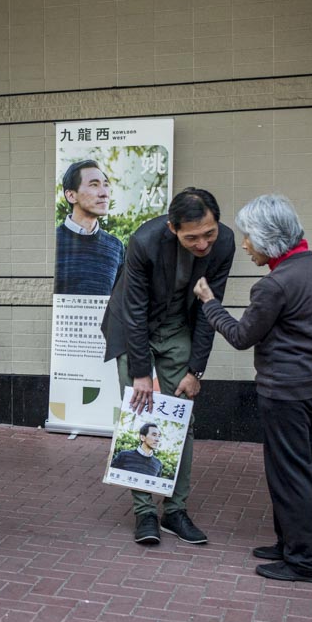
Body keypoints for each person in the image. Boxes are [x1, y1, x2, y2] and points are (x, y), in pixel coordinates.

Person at [195, 194, 312, 582]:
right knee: (299, 471)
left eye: (249, 237)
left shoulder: (274, 285)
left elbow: (242, 336)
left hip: (286, 392)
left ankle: (306, 562)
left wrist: (209, 303)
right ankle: (288, 543)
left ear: (270, 238)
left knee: (289, 475)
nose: (244, 244)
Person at [102, 187, 235, 546]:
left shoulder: (224, 243)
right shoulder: (145, 241)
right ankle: (144, 511)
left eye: (209, 233)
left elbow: (210, 309)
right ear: (173, 229)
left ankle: (176, 510)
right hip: (135, 328)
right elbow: (133, 310)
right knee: (139, 415)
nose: (204, 244)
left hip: (178, 327)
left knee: (182, 415)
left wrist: (196, 371)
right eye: (193, 237)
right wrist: (142, 373)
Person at [54, 160, 125, 296]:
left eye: (106, 185)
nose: (104, 193)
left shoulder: (116, 247)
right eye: (94, 185)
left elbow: (119, 301)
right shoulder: (52, 242)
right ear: (71, 195)